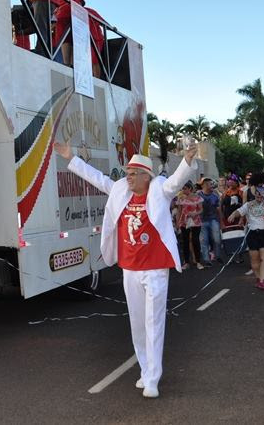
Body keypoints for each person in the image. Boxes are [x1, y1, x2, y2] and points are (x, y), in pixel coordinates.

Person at [53, 142, 198, 398]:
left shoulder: (159, 190)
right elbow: (97, 178)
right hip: (129, 268)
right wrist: (70, 158)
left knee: (154, 323)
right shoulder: (120, 190)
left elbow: (175, 181)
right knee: (137, 324)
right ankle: (145, 370)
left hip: (155, 269)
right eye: (127, 173)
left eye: (133, 173)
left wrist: (187, 160)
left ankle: (153, 378)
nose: (127, 177)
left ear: (146, 176)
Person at [227, 172, 264, 289]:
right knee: (254, 258)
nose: (259, 192)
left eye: (262, 185)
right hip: (252, 231)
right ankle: (258, 277)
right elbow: (242, 208)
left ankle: (263, 280)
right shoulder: (247, 197)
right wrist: (235, 215)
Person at [176, 182, 203, 269]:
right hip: (184, 221)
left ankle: (198, 261)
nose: (183, 190)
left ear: (190, 189)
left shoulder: (197, 198)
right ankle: (186, 262)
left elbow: (201, 209)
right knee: (185, 241)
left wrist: (195, 213)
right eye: (182, 188)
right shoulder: (181, 198)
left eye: (185, 188)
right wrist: (178, 222)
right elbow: (179, 211)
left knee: (195, 240)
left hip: (196, 221)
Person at [198, 178, 223, 265]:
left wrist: (221, 222)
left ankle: (218, 256)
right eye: (208, 183)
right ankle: (206, 260)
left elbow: (219, 210)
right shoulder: (198, 195)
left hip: (213, 219)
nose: (210, 185)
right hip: (201, 221)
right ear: (203, 185)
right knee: (203, 240)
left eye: (210, 183)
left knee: (217, 239)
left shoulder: (215, 196)